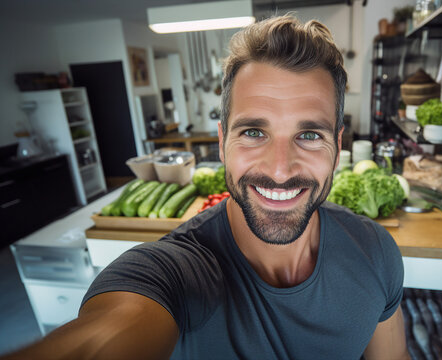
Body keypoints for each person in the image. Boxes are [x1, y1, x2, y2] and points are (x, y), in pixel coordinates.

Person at [3, 15, 409, 360]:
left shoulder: (375, 251)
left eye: (309, 135)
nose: (281, 170)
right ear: (221, 142)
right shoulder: (176, 272)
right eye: (253, 131)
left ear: (337, 146)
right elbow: (114, 327)